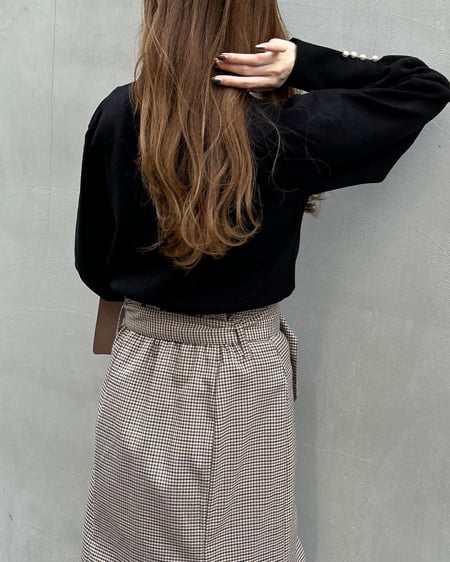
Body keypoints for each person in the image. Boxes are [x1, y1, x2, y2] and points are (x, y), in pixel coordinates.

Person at [75, 1, 450, 561]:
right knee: (244, 545)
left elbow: (93, 263)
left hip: (139, 362)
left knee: (131, 544)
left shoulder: (118, 112)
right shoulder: (286, 130)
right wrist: (304, 62)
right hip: (242, 366)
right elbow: (422, 87)